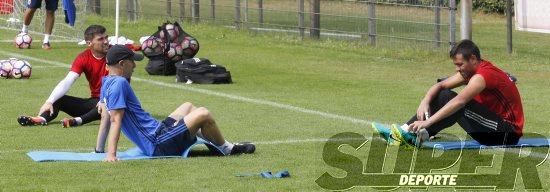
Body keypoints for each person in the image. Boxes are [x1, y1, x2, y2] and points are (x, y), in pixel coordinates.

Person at [94, 45, 255, 162]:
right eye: (132, 62)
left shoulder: (107, 81)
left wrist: (99, 149)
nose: (135, 65)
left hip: (158, 131)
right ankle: (228, 149)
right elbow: (115, 119)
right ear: (122, 64)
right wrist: (111, 155)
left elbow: (104, 115)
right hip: (157, 144)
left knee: (188, 106)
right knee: (203, 113)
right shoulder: (120, 84)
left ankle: (218, 143)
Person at [376, 40, 524, 148]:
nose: (457, 69)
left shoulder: (482, 76)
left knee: (458, 104)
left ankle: (410, 132)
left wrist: (428, 121)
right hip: (491, 127)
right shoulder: (471, 70)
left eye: (460, 64)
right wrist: (425, 101)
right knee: (444, 94)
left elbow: (459, 102)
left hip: (506, 134)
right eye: (456, 65)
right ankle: (408, 132)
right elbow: (441, 85)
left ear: (473, 59)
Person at [17, 25, 110, 128]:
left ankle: (77, 121)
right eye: (101, 39)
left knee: (108, 103)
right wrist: (49, 101)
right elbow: (68, 81)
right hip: (95, 103)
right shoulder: (83, 58)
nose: (106, 41)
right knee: (58, 98)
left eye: (106, 37)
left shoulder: (116, 53)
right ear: (89, 43)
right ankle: (41, 119)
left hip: (114, 102)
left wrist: (104, 100)